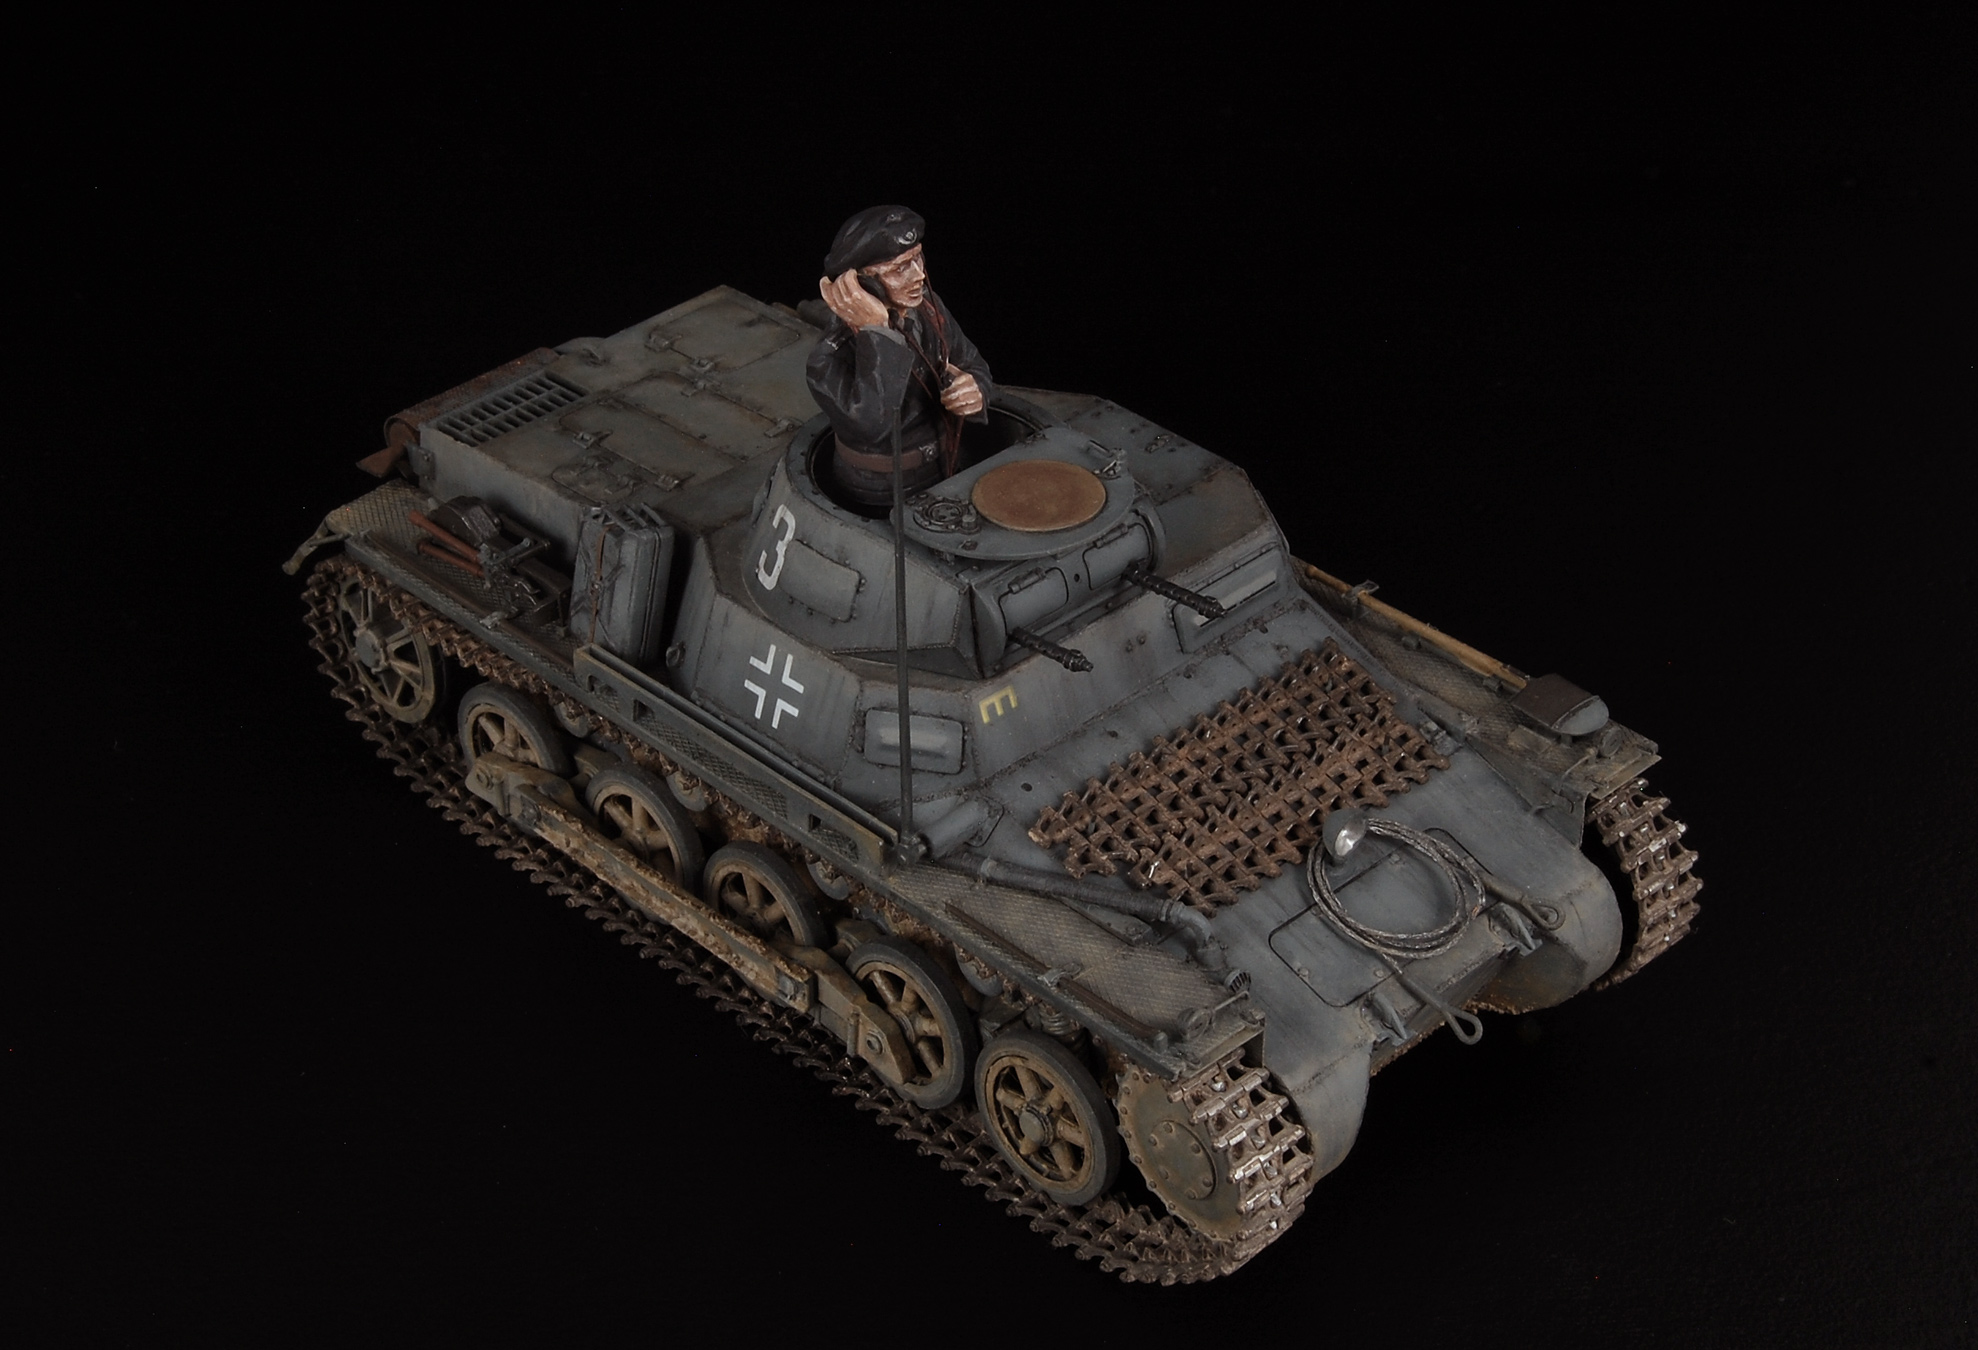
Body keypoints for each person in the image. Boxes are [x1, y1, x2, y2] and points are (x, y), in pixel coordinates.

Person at [806, 206, 995, 509]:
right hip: (880, 490)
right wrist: (877, 333)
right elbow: (872, 427)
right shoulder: (829, 358)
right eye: (899, 269)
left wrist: (975, 390)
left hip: (947, 465)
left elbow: (972, 363)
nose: (919, 275)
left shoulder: (929, 312)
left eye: (917, 258)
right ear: (860, 285)